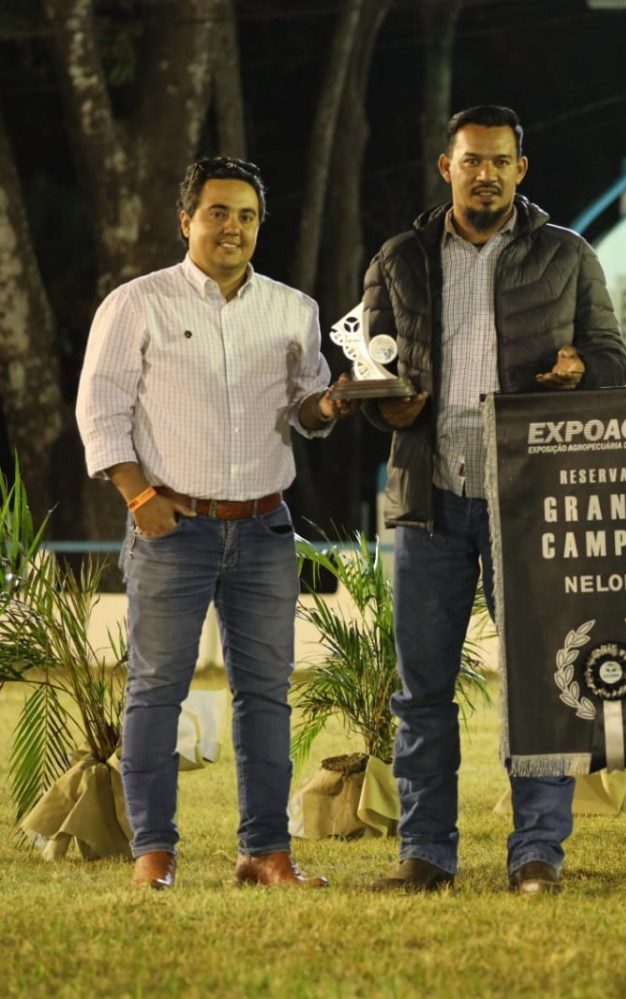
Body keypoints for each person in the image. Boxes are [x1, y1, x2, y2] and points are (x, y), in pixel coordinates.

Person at [363, 105, 626, 894]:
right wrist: (388, 405)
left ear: (522, 169)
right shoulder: (399, 257)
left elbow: (613, 357)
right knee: (422, 693)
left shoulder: (568, 254)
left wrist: (583, 372)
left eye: (500, 161)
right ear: (446, 167)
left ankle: (538, 853)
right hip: (427, 499)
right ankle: (425, 854)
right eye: (471, 160)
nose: (486, 173)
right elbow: (373, 368)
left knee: (545, 684)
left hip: (535, 502)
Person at [76, 156, 356, 890]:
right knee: (156, 691)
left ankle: (265, 851)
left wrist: (328, 407)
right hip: (172, 528)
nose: (231, 227)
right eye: (218, 212)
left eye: (246, 216)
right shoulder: (138, 304)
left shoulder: (293, 308)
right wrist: (140, 498)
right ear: (186, 220)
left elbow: (306, 404)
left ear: (260, 225)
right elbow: (99, 409)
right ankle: (155, 852)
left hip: (265, 528)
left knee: (266, 694)